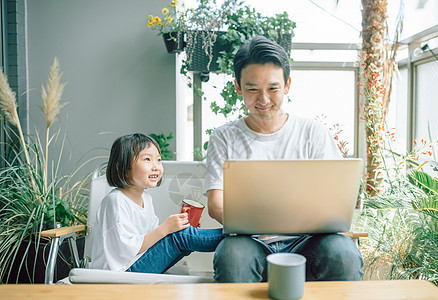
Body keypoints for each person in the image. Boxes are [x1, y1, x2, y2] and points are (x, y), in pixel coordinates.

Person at [204, 36, 363, 283]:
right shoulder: (223, 137)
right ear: (238, 88)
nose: (264, 100)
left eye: (273, 88)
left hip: (311, 240)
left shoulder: (312, 132)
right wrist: (260, 224)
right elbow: (216, 204)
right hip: (249, 242)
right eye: (253, 89)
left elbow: (335, 197)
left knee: (343, 253)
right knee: (232, 255)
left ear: (287, 85)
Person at [91, 133, 224, 273]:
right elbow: (126, 249)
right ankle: (240, 234)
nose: (156, 166)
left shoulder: (146, 199)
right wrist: (166, 229)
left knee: (182, 237)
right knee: (180, 237)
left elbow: (154, 240)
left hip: (136, 264)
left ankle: (239, 234)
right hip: (120, 272)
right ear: (121, 167)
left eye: (158, 160)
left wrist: (177, 227)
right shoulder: (116, 201)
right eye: (147, 159)